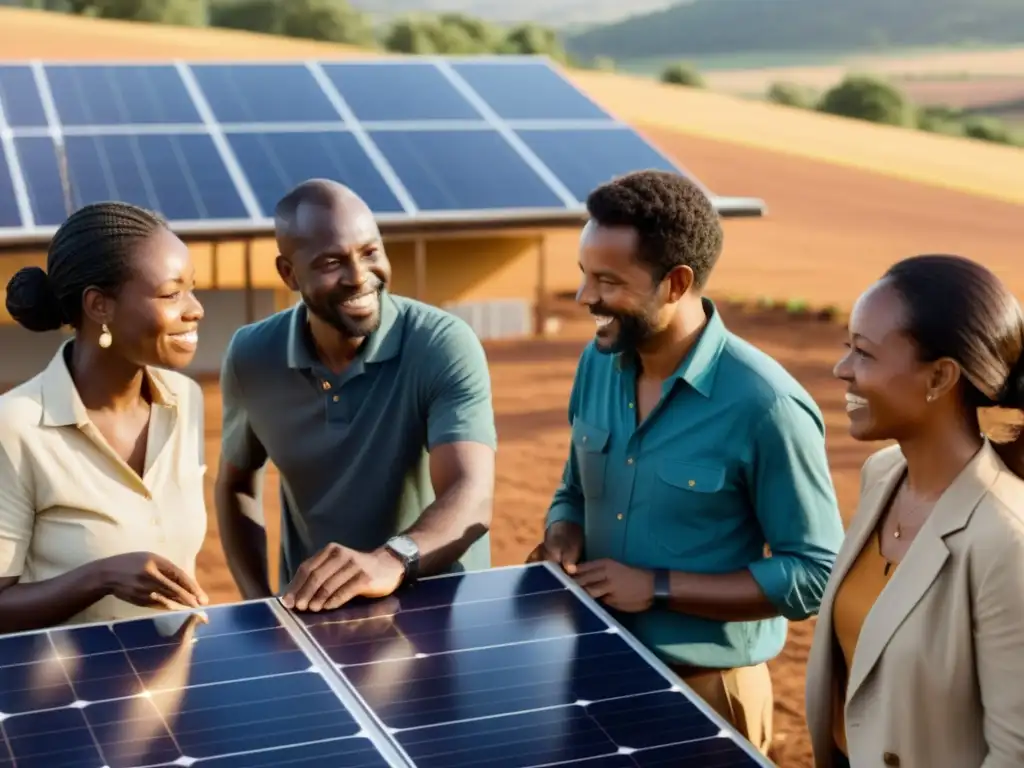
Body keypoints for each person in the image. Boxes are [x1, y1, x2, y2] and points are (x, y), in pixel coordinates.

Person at [527, 170, 845, 756]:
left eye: (606, 281)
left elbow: (815, 575)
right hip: (593, 675)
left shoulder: (766, 404)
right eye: (583, 275)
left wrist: (658, 588)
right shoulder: (596, 364)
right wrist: (562, 531)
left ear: (675, 284)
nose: (583, 298)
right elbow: (573, 487)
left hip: (707, 695)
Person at [215, 179, 496, 613]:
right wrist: (258, 603)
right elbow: (236, 484)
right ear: (289, 273)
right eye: (332, 262)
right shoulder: (251, 356)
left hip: (439, 613)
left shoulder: (441, 344)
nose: (359, 277)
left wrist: (390, 561)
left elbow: (471, 490)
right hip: (317, 614)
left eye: (370, 253)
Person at [805, 254, 1024, 768]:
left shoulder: (1005, 540)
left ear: (940, 377)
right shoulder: (883, 475)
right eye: (846, 347)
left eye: (864, 353)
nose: (842, 370)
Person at [0, 202, 210, 633]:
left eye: (192, 288)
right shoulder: (15, 427)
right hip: (67, 691)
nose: (195, 309)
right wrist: (100, 577)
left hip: (178, 682)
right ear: (99, 306)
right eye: (171, 293)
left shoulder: (184, 400)